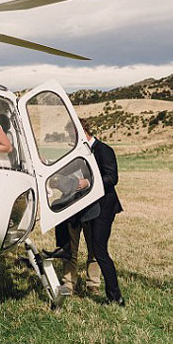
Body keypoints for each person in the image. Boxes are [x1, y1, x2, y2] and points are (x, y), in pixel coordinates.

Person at [44, 125, 124, 305]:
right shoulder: (80, 152)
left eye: (71, 135)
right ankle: (110, 295)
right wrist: (46, 163)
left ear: (83, 132)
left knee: (99, 252)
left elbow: (112, 178)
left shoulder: (104, 150)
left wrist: (89, 182)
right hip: (85, 206)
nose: (69, 139)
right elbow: (64, 169)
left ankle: (115, 296)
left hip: (103, 208)